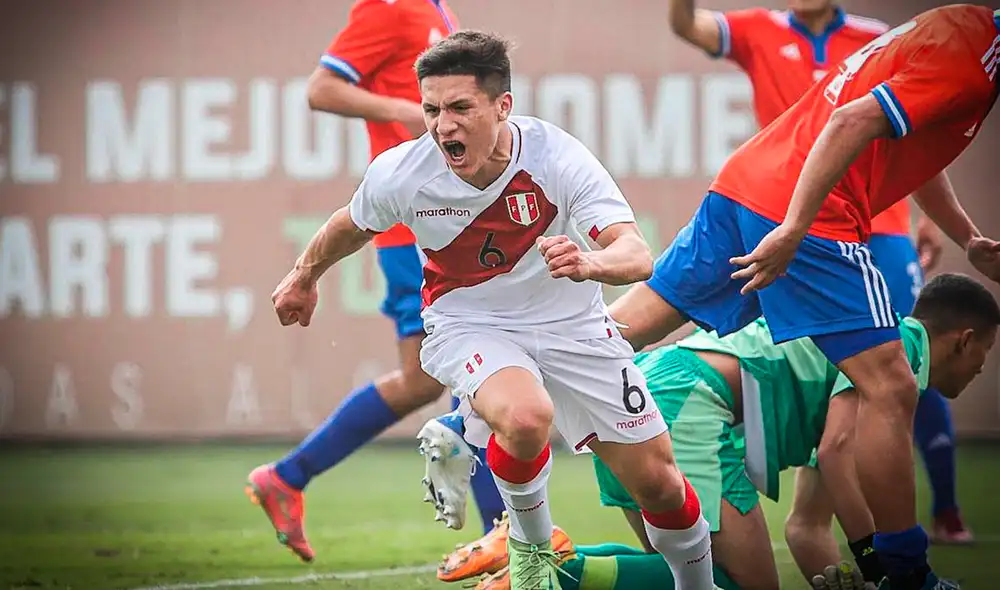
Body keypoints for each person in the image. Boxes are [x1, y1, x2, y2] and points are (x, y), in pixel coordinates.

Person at [269, 30, 718, 590]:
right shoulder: (404, 171)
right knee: (527, 416)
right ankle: (531, 556)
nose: (442, 125)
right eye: (432, 109)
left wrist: (590, 262)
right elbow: (349, 225)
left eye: (460, 108)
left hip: (573, 325)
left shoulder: (556, 156)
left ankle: (697, 585)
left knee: (662, 486)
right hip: (468, 321)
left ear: (503, 106)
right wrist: (302, 276)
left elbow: (636, 253)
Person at [607, 5, 1000, 589]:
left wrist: (965, 235)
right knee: (891, 383)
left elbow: (913, 138)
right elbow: (849, 122)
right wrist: (794, 227)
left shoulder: (958, 24)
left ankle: (483, 414)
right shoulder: (974, 60)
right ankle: (907, 571)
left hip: (745, 185)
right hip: (809, 211)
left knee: (619, 332)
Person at [439, 273, 999, 590]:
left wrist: (860, 580)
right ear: (963, 339)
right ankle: (551, 567)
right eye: (986, 354)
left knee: (688, 572)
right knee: (736, 587)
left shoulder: (868, 342)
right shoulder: (902, 349)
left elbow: (806, 527)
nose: (980, 370)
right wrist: (888, 572)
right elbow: (837, 450)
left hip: (653, 390)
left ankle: (544, 556)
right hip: (689, 406)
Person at [244, 0, 506, 562]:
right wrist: (408, 113)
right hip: (418, 221)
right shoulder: (390, 8)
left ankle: (287, 477)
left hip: (435, 217)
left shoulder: (436, 9)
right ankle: (503, 538)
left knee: (420, 381)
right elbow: (322, 88)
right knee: (481, 370)